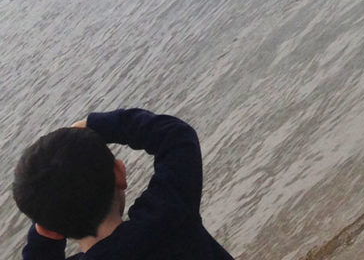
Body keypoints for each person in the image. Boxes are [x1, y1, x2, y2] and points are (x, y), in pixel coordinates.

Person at [11, 107, 233, 259]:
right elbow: (175, 137)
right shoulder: (168, 217)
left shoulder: (168, 214)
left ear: (48, 230)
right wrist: (96, 125)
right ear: (119, 172)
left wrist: (47, 216)